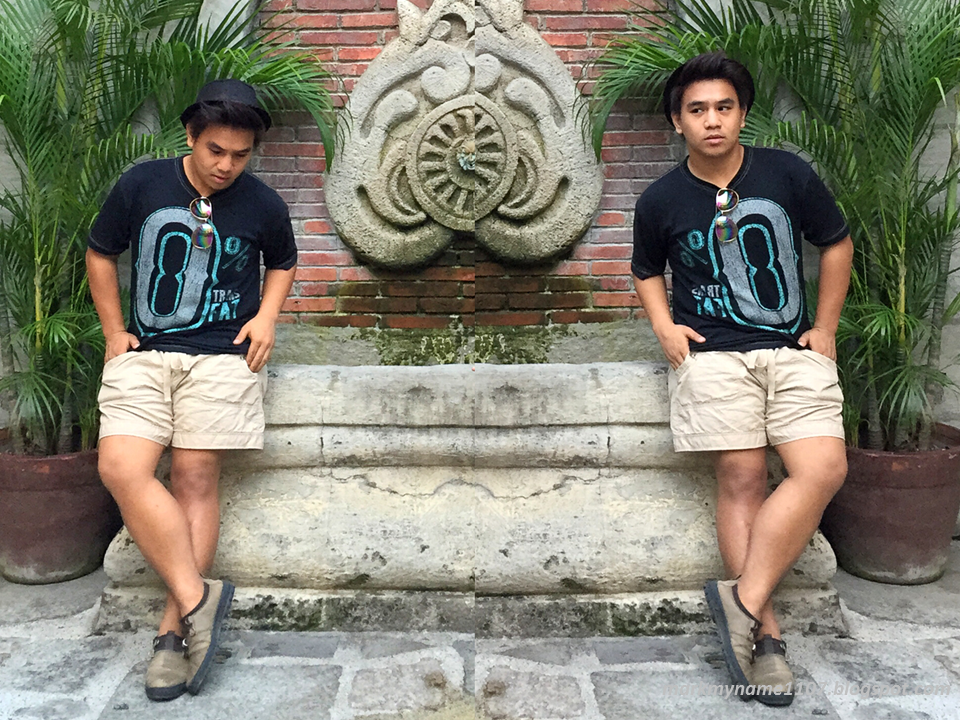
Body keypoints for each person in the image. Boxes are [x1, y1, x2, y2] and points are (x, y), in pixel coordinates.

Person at [631, 51, 853, 706]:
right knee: (743, 478)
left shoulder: (786, 174)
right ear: (678, 121)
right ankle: (767, 642)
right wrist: (664, 327)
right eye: (697, 109)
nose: (713, 121)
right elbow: (645, 269)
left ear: (743, 113)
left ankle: (742, 601)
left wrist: (826, 328)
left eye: (724, 107)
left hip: (790, 349)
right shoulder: (661, 199)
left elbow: (835, 243)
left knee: (823, 468)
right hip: (713, 359)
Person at [86, 79, 298, 701]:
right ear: (190, 136)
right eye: (215, 151)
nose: (227, 165)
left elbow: (283, 262)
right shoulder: (142, 184)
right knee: (120, 468)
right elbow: (101, 253)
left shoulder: (263, 204)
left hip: (225, 358)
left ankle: (172, 635)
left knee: (195, 476)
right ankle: (200, 598)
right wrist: (113, 332)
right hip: (147, 352)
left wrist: (267, 317)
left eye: (240, 155)